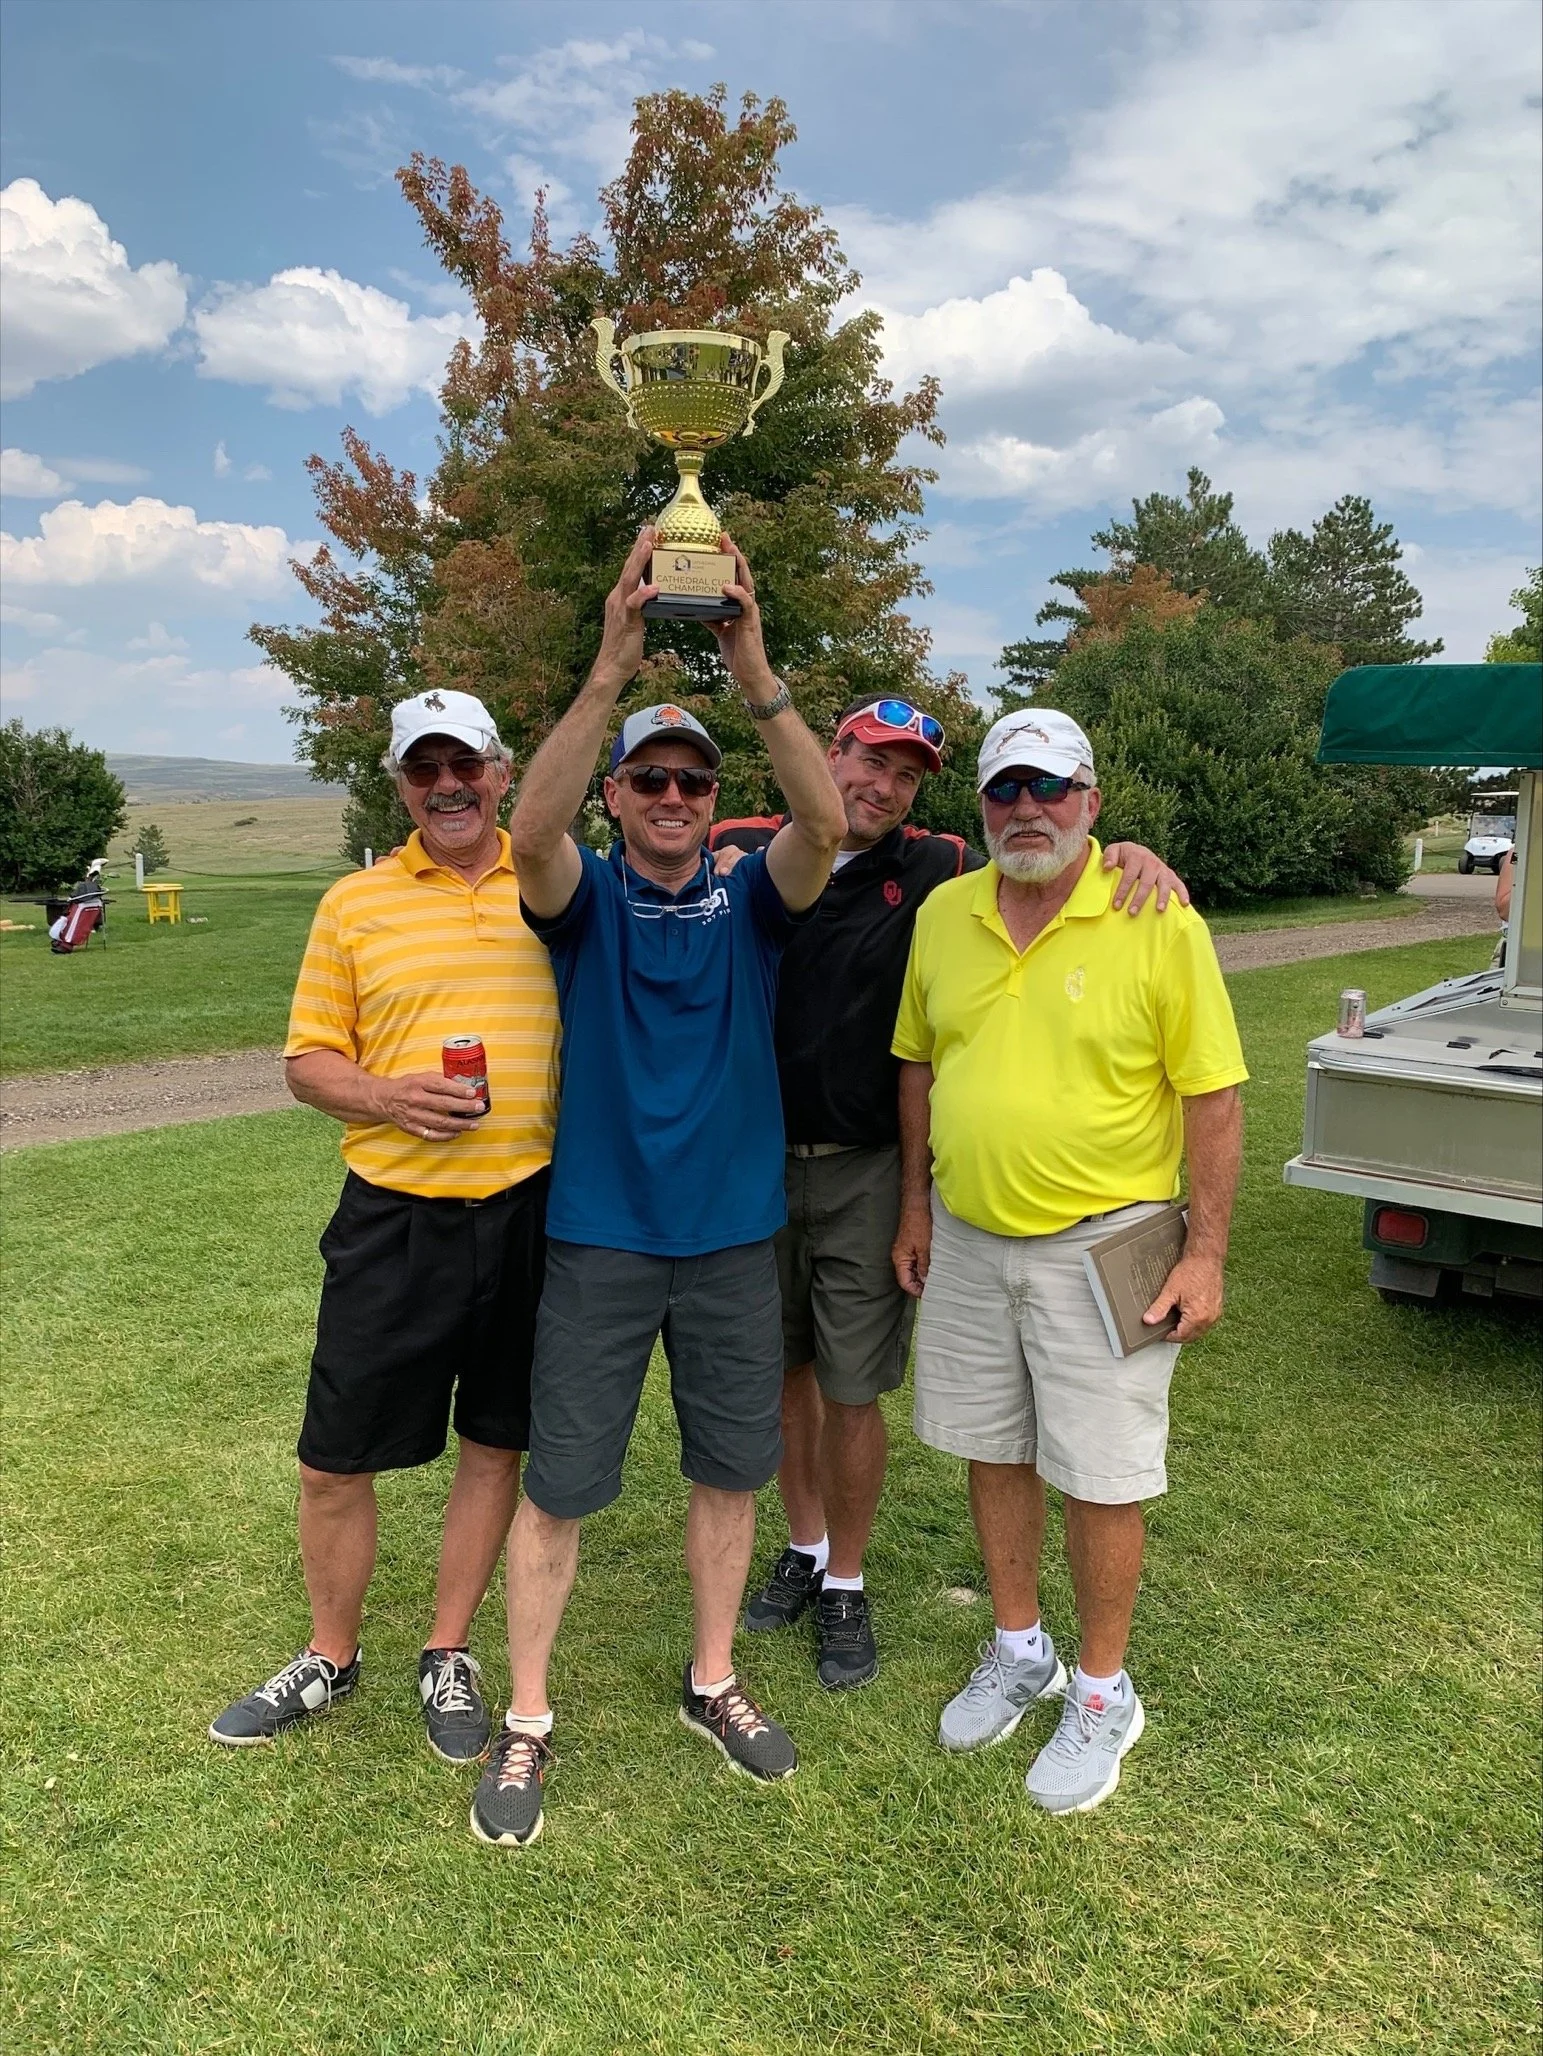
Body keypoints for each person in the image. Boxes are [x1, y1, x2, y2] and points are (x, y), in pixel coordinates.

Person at [468, 528, 847, 1849]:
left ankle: (711, 1683)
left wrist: (748, 659)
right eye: (651, 780)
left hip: (733, 1242)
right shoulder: (587, 908)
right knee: (560, 1487)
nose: (675, 797)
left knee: (728, 1476)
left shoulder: (754, 904)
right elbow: (525, 833)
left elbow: (827, 819)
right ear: (617, 799)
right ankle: (525, 1719)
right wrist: (609, 668)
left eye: (692, 781)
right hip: (602, 1241)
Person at [712, 705, 1186, 1692]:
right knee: (784, 1371)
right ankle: (803, 1550)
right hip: (749, 1160)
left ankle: (846, 1576)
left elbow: (1055, 847)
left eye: (905, 773)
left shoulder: (935, 869)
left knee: (851, 1384)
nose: (880, 786)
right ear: (825, 756)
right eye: (865, 761)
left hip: (867, 1167)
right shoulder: (742, 848)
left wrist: (1130, 849)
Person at [891, 708, 1247, 1816]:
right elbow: (917, 1064)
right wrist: (914, 1202)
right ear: (981, 806)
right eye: (1004, 790)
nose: (1026, 808)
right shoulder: (947, 912)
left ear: (1090, 801)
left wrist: (1208, 1250)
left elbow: (1214, 1093)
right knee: (992, 1449)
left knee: (1099, 1472)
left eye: (1049, 787)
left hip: (1110, 1244)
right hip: (968, 1235)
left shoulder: (1154, 913)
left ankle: (1102, 1689)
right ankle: (1018, 1647)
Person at [209, 688, 557, 1769]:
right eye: (424, 769)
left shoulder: (555, 883)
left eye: (466, 764)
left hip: (529, 1210)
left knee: (496, 1441)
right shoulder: (353, 903)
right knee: (333, 1458)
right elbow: (307, 1062)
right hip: (393, 1215)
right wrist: (390, 1096)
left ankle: (446, 1649)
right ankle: (330, 1651)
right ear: (399, 782)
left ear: (502, 770)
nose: (448, 785)